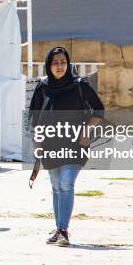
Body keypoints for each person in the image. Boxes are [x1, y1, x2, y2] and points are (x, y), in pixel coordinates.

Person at [29, 46, 104, 246]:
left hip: (76, 144)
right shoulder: (42, 87)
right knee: (55, 186)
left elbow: (99, 110)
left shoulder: (80, 85)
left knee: (65, 183)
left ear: (68, 64)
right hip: (51, 144)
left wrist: (86, 131)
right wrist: (37, 140)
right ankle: (59, 229)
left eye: (63, 62)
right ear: (48, 65)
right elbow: (34, 117)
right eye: (55, 63)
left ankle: (63, 230)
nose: (60, 66)